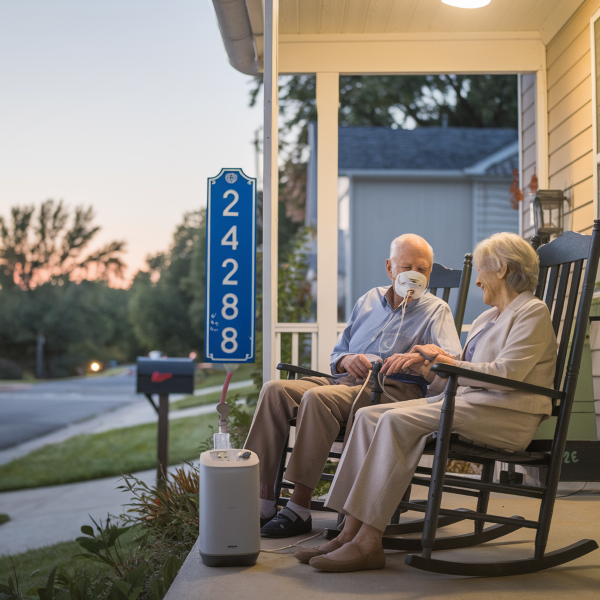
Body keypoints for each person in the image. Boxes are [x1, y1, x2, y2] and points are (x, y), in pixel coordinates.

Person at [295, 231, 557, 572]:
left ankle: (369, 540)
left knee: (391, 420)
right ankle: (349, 531)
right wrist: (428, 367)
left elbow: (506, 376)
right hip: (470, 405)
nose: (476, 280)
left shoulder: (532, 313)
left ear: (502, 270)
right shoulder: (485, 319)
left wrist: (446, 361)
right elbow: (460, 377)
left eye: (481, 270)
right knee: (370, 416)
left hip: (506, 416)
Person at [244, 234, 462, 539]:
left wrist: (422, 355)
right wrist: (347, 360)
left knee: (318, 399)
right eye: (406, 266)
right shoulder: (368, 300)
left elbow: (451, 359)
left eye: (422, 270)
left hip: (391, 389)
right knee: (274, 391)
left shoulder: (436, 310)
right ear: (389, 268)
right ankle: (262, 503)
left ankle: (299, 508)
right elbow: (337, 353)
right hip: (346, 381)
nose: (414, 275)